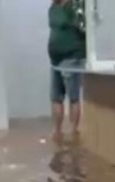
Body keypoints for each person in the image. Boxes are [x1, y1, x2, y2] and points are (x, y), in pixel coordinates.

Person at [48, 0, 86, 138]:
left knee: (73, 97)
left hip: (72, 57)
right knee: (56, 97)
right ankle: (57, 132)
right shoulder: (53, 7)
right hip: (55, 60)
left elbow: (84, 28)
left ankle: (74, 132)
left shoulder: (75, 6)